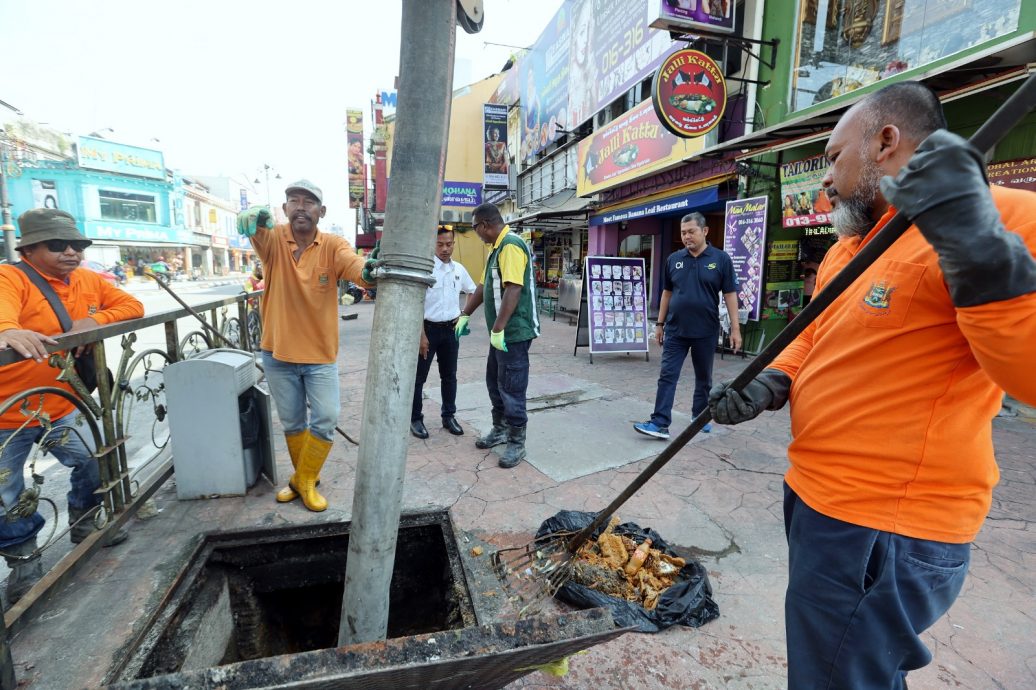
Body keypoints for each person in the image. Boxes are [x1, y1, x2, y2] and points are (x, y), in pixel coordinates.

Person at [708, 81, 1036, 688]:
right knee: (842, 670)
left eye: (833, 158)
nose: (826, 181)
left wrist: (976, 245)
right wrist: (771, 379)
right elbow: (812, 335)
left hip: (886, 522)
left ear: (887, 142)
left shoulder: (1007, 217)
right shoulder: (851, 247)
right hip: (817, 498)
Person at [0, 209, 143, 604]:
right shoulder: (11, 277)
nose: (71, 253)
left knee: (94, 459)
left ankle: (84, 519)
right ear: (28, 249)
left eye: (77, 245)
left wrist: (91, 320)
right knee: (6, 494)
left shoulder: (86, 279)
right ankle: (25, 561)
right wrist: (8, 331)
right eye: (58, 245)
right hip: (7, 413)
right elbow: (2, 315)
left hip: (62, 404)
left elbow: (132, 306)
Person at [236, 180, 375, 512]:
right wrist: (252, 217)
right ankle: (307, 480)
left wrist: (369, 270)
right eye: (293, 200)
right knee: (293, 423)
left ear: (321, 212)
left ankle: (302, 480)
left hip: (319, 356)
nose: (301, 206)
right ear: (284, 210)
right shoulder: (273, 240)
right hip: (277, 353)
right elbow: (255, 229)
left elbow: (356, 267)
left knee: (326, 418)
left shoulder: (332, 245)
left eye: (309, 201)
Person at [634, 212, 740, 440]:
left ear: (705, 231)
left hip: (705, 330)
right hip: (675, 330)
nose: (686, 236)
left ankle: (699, 417)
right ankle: (660, 422)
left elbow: (730, 294)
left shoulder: (721, 259)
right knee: (667, 375)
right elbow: (667, 293)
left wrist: (735, 329)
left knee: (704, 378)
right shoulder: (674, 259)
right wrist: (659, 324)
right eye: (683, 232)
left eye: (691, 231)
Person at [455, 203, 539, 468]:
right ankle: (500, 429)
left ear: (484, 225)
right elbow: (482, 286)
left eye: (474, 228)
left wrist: (499, 328)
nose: (476, 234)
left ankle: (517, 442)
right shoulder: (496, 249)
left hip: (513, 334)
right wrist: (465, 313)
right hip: (499, 335)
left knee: (512, 388)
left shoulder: (511, 246)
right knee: (495, 382)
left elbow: (513, 289)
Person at [410, 225, 477, 439]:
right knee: (418, 378)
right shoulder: (426, 270)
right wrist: (421, 335)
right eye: (440, 244)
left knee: (449, 376)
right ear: (433, 245)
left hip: (450, 331)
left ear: (454, 244)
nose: (445, 249)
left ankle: (449, 416)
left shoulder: (458, 269)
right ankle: (415, 419)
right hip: (427, 331)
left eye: (448, 244)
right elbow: (416, 303)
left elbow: (473, 291)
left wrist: (464, 315)